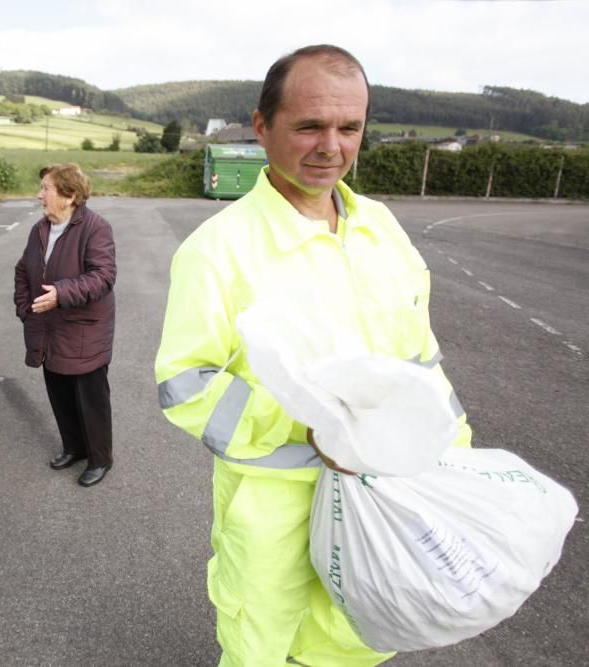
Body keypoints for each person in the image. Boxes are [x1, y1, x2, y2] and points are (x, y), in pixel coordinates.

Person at [154, 45, 473, 665]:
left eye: (349, 127)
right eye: (309, 126)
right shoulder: (217, 249)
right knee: (266, 648)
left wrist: (449, 461)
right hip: (274, 516)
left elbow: (422, 359)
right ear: (262, 125)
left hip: (384, 503)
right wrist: (311, 424)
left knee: (357, 643)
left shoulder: (381, 227)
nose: (332, 145)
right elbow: (185, 384)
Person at [14, 164, 117, 487]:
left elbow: (103, 276)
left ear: (70, 196)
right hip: (48, 330)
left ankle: (100, 458)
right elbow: (22, 270)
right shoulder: (40, 229)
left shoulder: (95, 228)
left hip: (84, 331)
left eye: (46, 188)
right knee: (59, 394)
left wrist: (61, 293)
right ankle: (74, 448)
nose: (39, 195)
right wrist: (25, 309)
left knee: (90, 400)